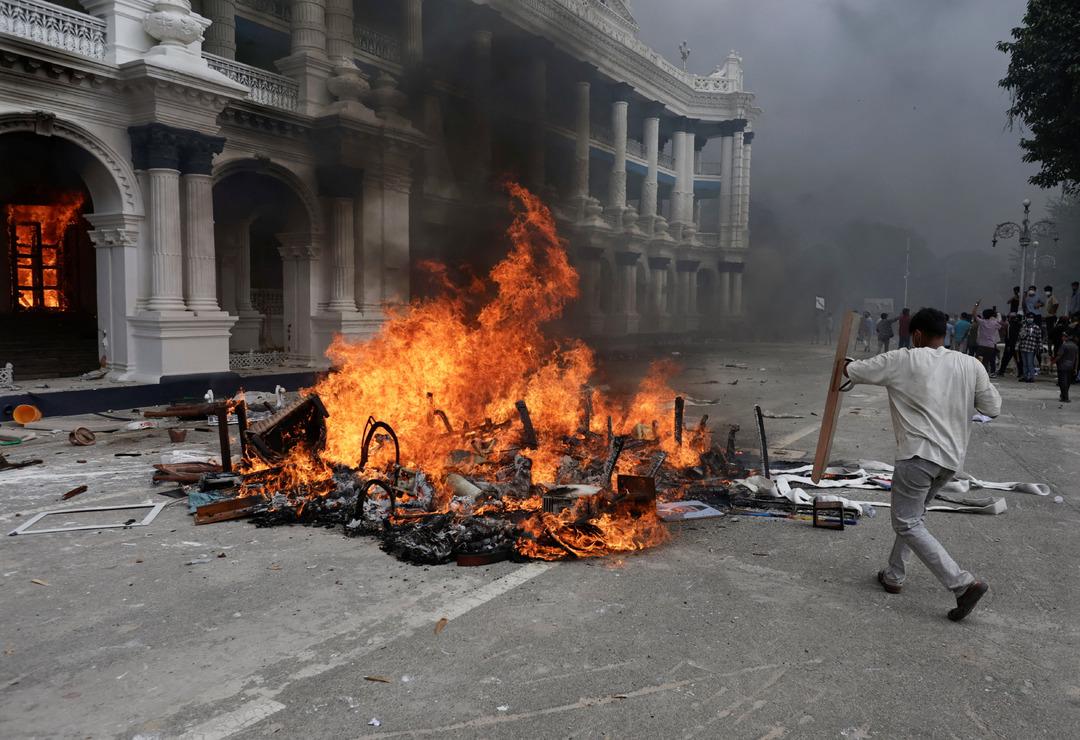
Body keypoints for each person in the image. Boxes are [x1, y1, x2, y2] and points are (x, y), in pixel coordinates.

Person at [844, 307, 999, 621]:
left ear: (916, 334)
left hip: (918, 457)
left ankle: (962, 583)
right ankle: (894, 574)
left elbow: (855, 372)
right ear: (945, 333)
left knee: (907, 522)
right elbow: (992, 407)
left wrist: (846, 365)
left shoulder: (904, 359)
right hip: (950, 460)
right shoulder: (971, 364)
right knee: (913, 518)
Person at [973, 308, 1002, 375]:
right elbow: (1000, 324)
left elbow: (974, 314)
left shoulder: (982, 322)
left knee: (978, 361)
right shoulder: (995, 323)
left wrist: (976, 305)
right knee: (986, 361)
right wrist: (995, 316)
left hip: (982, 346)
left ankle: (978, 374)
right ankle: (985, 374)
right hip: (990, 346)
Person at [1018, 314, 1044, 382]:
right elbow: (1020, 336)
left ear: (1033, 319)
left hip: (1031, 348)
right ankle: (1025, 376)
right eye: (1028, 318)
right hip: (1023, 347)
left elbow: (1039, 338)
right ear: (1026, 318)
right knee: (1024, 364)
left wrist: (1040, 347)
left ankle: (1032, 377)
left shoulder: (1036, 327)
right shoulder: (1024, 326)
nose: (1030, 319)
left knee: (1030, 363)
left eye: (1031, 318)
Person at [996, 312, 1023, 378]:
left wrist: (1008, 345)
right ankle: (1020, 372)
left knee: (1005, 359)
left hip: (1010, 345)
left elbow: (1008, 336)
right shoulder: (1019, 325)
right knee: (1018, 360)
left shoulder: (1010, 325)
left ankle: (1002, 371)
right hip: (1016, 345)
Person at [1056, 332, 1077, 403]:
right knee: (1067, 382)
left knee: (1062, 382)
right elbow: (1077, 358)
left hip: (1063, 366)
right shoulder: (1075, 346)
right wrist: (1076, 368)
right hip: (1071, 366)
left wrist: (1052, 362)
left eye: (1064, 336)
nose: (1062, 338)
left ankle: (1065, 397)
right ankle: (1064, 396)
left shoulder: (1064, 346)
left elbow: (1059, 356)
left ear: (1067, 338)